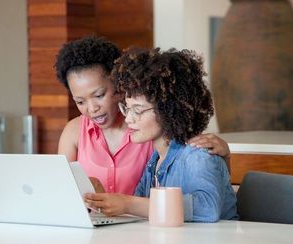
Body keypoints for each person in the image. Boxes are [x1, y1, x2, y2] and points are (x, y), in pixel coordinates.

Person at [55, 36, 231, 195]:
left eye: (99, 95)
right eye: (80, 101)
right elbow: (62, 193)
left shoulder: (151, 128)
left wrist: (224, 156)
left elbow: (205, 188)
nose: (92, 108)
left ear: (118, 85)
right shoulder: (74, 132)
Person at [84, 48, 238, 222]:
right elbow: (141, 212)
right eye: (126, 108)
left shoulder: (198, 154)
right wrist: (101, 197)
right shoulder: (155, 160)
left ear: (167, 111)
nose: (128, 118)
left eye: (138, 110)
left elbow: (208, 208)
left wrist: (128, 203)